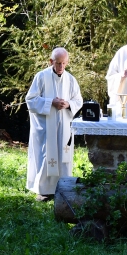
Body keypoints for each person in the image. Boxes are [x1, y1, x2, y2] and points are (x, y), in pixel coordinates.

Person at [25, 47, 83, 201]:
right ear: (51, 61)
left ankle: (63, 188)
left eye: (64, 63)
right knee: (46, 156)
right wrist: (51, 102)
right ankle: (43, 190)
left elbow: (78, 100)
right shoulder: (41, 77)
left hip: (64, 126)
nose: (61, 67)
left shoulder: (71, 79)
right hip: (45, 128)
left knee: (63, 157)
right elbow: (30, 100)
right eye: (58, 63)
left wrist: (68, 104)